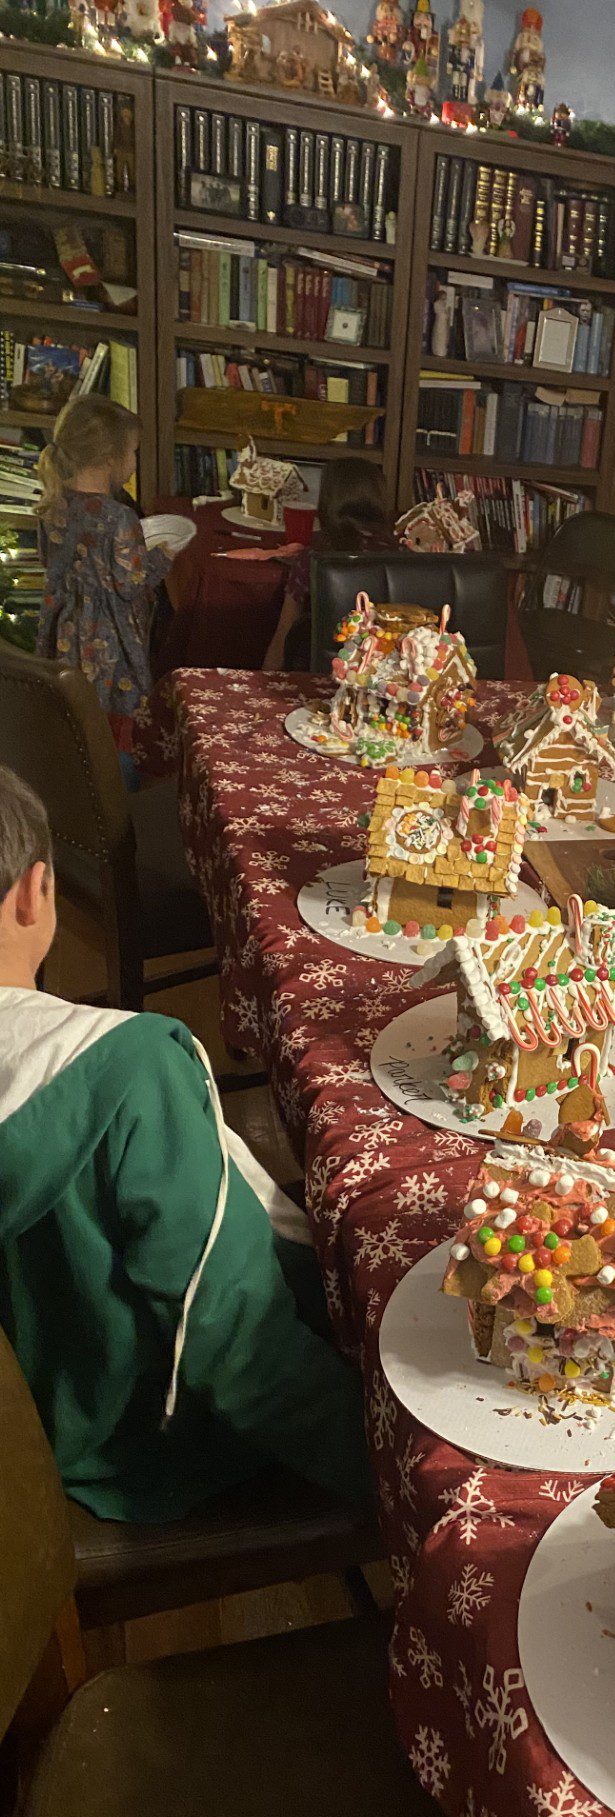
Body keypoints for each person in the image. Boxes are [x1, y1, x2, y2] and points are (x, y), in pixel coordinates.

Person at [0, 767, 372, 1524]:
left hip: (36, 1420)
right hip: (147, 1441)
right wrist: (389, 1477)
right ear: (35, 894)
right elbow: (233, 1340)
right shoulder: (130, 1072)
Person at [35, 394, 173, 790]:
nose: (134, 462)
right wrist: (164, 557)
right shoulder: (119, 517)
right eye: (133, 452)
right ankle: (114, 792)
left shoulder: (52, 505)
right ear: (111, 458)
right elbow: (132, 582)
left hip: (65, 630)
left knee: (73, 709)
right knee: (113, 717)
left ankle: (70, 783)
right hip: (108, 640)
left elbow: (52, 563)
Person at [261, 456, 395, 671]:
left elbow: (283, 637)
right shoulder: (403, 555)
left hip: (321, 678)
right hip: (385, 680)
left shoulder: (313, 559)